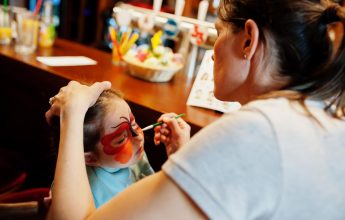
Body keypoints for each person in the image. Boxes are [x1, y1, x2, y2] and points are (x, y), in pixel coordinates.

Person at [46, 0, 345, 219]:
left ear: (248, 41)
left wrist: (74, 111)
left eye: (218, 33)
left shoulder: (259, 131)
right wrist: (189, 164)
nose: (213, 52)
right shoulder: (323, 117)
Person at [46, 89, 190, 209]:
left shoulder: (134, 155)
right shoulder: (84, 193)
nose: (138, 137)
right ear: (90, 158)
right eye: (121, 139)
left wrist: (179, 155)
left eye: (133, 125)